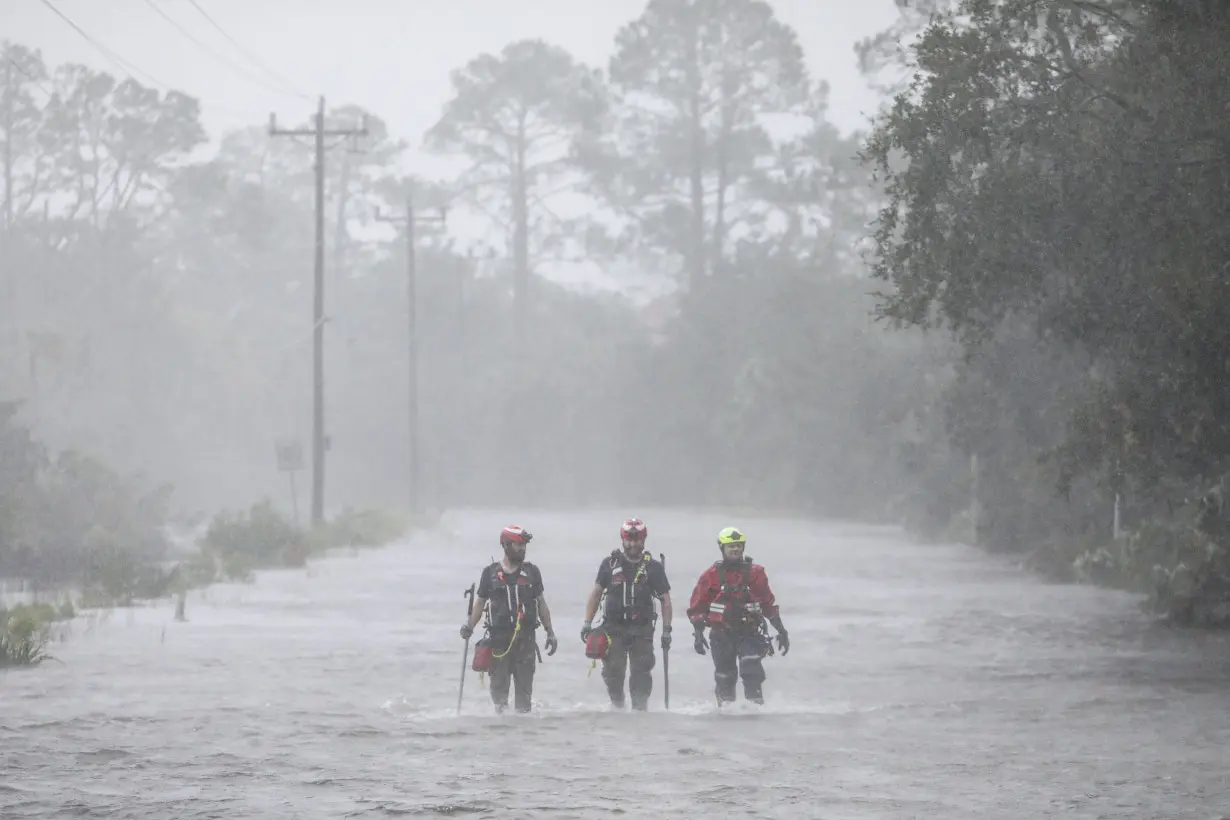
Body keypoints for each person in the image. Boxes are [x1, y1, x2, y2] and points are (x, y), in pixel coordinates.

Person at [686, 526, 789, 705]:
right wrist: (698, 634)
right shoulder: (710, 576)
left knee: (751, 669)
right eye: (731, 546)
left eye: (738, 545)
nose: (735, 549)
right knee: (724, 677)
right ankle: (726, 715)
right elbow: (697, 607)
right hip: (721, 634)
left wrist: (781, 630)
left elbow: (768, 603)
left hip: (749, 632)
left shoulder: (755, 573)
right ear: (722, 548)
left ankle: (755, 711)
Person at [461, 525, 559, 713]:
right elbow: (480, 603)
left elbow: (541, 603)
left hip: (526, 642)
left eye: (524, 545)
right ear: (505, 545)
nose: (522, 549)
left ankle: (522, 736)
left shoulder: (533, 572)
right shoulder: (489, 574)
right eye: (517, 545)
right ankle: (502, 734)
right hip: (498, 644)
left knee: (524, 702)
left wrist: (550, 632)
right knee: (499, 699)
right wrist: (469, 627)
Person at [580, 518, 673, 710]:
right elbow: (596, 594)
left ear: (644, 539)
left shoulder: (654, 568)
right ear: (622, 540)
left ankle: (640, 713)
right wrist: (587, 623)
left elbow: (665, 600)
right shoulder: (609, 564)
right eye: (629, 539)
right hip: (613, 628)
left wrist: (667, 631)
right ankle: (617, 708)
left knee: (642, 674)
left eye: (637, 539)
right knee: (613, 671)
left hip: (642, 630)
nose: (633, 543)